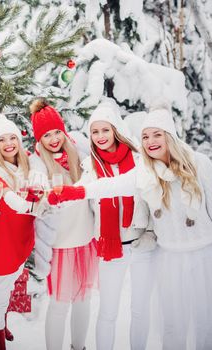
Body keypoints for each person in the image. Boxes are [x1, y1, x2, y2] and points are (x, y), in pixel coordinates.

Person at [50, 105, 212, 349]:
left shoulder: (199, 163)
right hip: (169, 256)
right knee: (172, 325)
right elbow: (113, 186)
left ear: (170, 136)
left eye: (157, 134)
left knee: (205, 322)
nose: (150, 141)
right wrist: (76, 191)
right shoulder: (147, 170)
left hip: (203, 253)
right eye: (145, 136)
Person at [80, 102, 155, 350]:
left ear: (115, 130)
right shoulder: (89, 166)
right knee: (108, 312)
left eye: (105, 130)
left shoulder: (138, 159)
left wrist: (152, 232)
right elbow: (80, 197)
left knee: (140, 311)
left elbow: (154, 197)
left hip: (142, 245)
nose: (100, 137)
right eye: (95, 132)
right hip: (111, 250)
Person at [29, 98, 98, 350]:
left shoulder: (78, 152)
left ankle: (78, 346)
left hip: (85, 237)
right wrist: (46, 195)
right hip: (60, 243)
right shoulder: (36, 162)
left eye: (57, 131)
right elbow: (36, 191)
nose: (54, 139)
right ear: (39, 139)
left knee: (83, 299)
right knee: (59, 303)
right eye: (47, 135)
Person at [0, 114, 43, 349]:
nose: (9, 144)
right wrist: (27, 204)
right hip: (2, 243)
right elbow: (5, 194)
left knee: (6, 289)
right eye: (2, 140)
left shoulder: (27, 165)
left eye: (12, 138)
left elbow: (40, 185)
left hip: (21, 239)